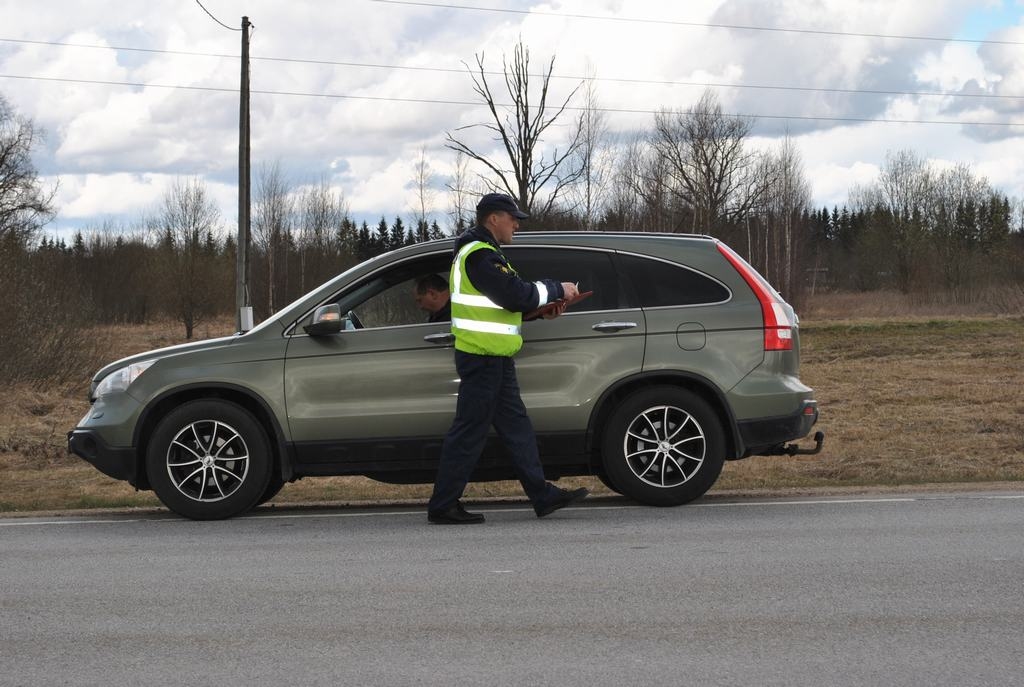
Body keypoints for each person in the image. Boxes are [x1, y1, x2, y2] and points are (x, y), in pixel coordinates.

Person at [427, 192, 589, 525]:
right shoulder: (480, 255)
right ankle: (442, 504)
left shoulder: (484, 254)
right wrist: (557, 288)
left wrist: (540, 313)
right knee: (469, 432)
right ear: (493, 219)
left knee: (517, 430)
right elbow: (515, 294)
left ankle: (541, 495)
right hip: (482, 359)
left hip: (495, 358)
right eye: (512, 218)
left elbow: (505, 308)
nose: (516, 224)